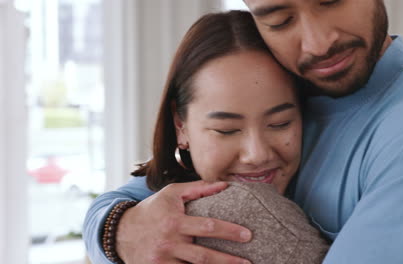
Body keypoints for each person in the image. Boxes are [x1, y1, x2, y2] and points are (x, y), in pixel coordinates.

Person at [85, 0, 403, 263]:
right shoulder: (292, 82)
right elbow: (139, 195)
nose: (319, 43)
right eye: (279, 20)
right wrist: (117, 229)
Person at [85, 10, 329, 264]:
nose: (256, 154)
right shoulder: (169, 189)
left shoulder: (331, 170)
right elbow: (110, 204)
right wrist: (117, 229)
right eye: (226, 130)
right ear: (181, 125)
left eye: (280, 124)